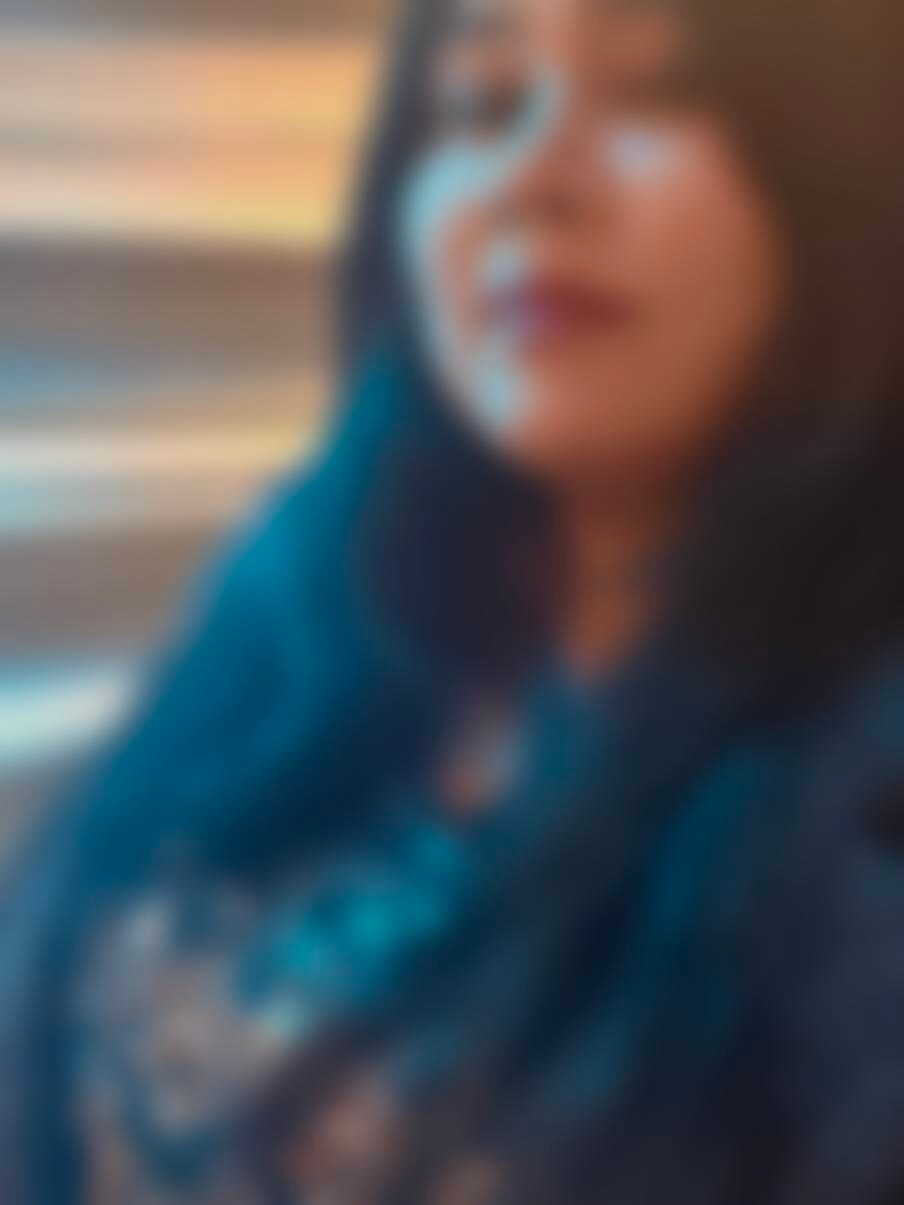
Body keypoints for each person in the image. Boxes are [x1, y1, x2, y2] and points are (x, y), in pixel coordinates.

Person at [4, 0, 904, 1201]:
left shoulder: (856, 781)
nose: (534, 179)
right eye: (482, 105)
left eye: (661, 91)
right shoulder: (309, 583)